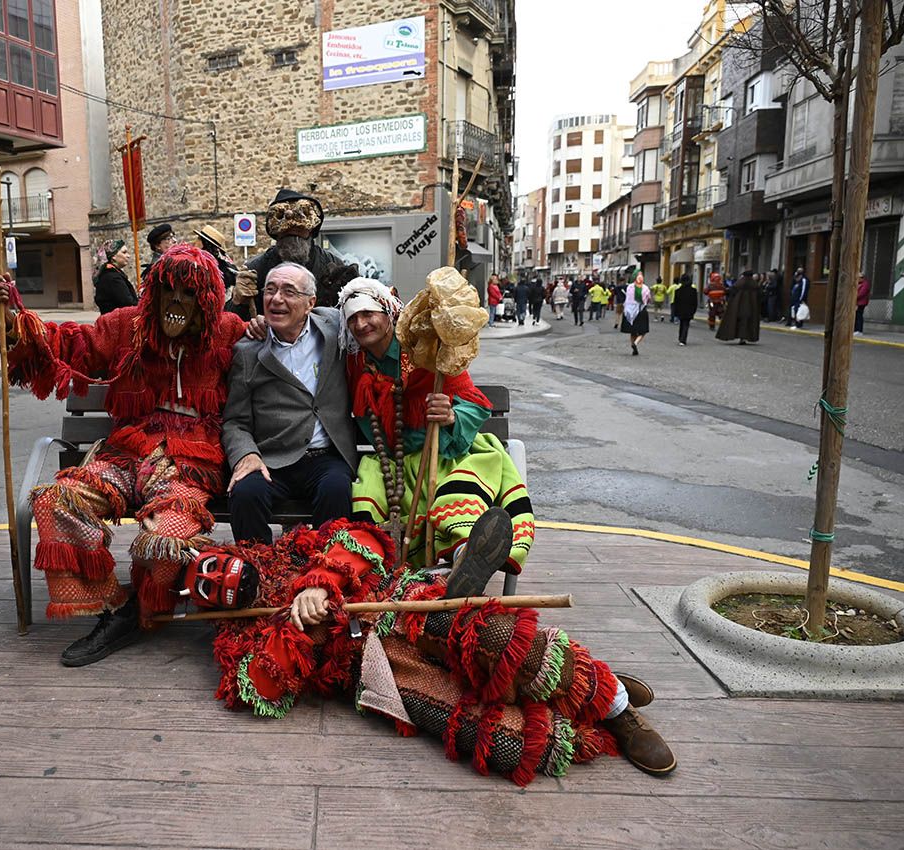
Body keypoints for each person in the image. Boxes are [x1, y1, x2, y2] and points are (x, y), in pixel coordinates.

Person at [194, 512, 677, 781]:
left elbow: (369, 539)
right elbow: (264, 690)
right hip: (375, 670)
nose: (218, 579)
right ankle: (578, 709)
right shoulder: (237, 640)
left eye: (216, 565)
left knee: (494, 641)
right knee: (506, 742)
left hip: (398, 602)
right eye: (206, 585)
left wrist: (318, 582)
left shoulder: (292, 548)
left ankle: (613, 707)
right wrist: (296, 629)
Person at [0, 245, 246, 666]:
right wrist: (12, 319)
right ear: (152, 293)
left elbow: (280, 351)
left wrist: (266, 316)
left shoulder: (230, 331)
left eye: (190, 293)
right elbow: (69, 343)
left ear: (208, 301)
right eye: (168, 290)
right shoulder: (127, 327)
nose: (176, 302)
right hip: (127, 451)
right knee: (54, 499)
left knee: (168, 535)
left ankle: (141, 610)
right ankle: (111, 608)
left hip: (190, 464)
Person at [338, 277, 535, 572]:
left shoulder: (426, 347)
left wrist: (451, 414)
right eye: (352, 318)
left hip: (445, 454)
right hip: (390, 464)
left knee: (457, 490)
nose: (360, 323)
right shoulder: (353, 362)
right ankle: (371, 568)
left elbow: (474, 400)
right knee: (368, 496)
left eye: (368, 313)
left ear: (388, 311)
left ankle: (466, 559)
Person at [222, 262, 357, 546]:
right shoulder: (248, 351)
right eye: (270, 291)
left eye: (288, 291)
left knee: (336, 488)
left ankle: (323, 574)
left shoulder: (334, 327)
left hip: (325, 457)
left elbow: (376, 317)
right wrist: (246, 454)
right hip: (272, 459)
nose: (276, 299)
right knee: (245, 493)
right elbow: (235, 421)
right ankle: (260, 572)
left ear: (310, 303)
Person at [230, 188, 355, 319]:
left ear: (311, 230)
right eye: (286, 231)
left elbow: (349, 317)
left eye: (299, 229)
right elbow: (233, 322)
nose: (292, 230)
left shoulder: (332, 265)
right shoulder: (256, 269)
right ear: (276, 232)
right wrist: (237, 302)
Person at [92, 239, 138, 315]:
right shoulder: (112, 277)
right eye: (124, 252)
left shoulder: (112, 273)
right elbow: (128, 303)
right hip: (117, 323)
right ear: (113, 256)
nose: (128, 256)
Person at [194, 224, 238, 303]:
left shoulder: (219, 270)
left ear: (205, 244)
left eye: (199, 239)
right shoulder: (200, 263)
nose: (195, 242)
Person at [716, 269, 761, 345]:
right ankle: (744, 338)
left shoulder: (739, 283)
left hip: (738, 307)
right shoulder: (754, 285)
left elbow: (731, 292)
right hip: (751, 308)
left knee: (737, 322)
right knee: (747, 323)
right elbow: (759, 296)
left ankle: (735, 336)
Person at [620, 273, 651, 355]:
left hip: (629, 312)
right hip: (641, 310)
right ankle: (636, 343)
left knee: (632, 331)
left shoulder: (629, 287)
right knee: (643, 331)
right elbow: (648, 299)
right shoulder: (645, 288)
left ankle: (632, 346)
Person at [671, 273, 698, 346]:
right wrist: (693, 311)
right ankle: (683, 339)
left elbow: (675, 302)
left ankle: (681, 338)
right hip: (689, 310)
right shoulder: (693, 291)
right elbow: (695, 302)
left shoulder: (678, 290)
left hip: (680, 310)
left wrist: (675, 312)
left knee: (682, 323)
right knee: (686, 324)